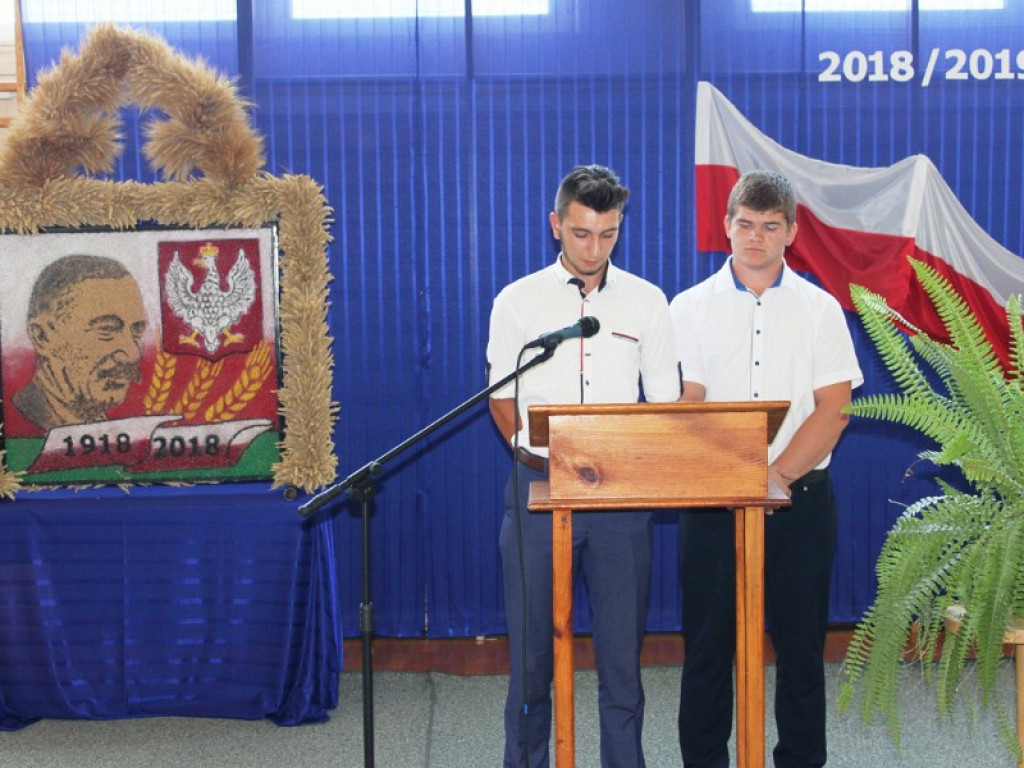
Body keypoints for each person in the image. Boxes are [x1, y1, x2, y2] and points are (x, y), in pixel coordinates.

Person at [486, 164, 682, 768]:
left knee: (622, 660)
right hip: (539, 488)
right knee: (531, 662)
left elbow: (667, 402)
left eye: (607, 234)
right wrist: (546, 455)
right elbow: (500, 398)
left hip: (622, 499)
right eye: (580, 234)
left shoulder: (648, 302)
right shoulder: (517, 302)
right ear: (556, 225)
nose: (593, 249)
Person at [669, 170, 863, 768]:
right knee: (707, 650)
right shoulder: (688, 308)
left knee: (802, 651)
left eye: (770, 226)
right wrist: (736, 479)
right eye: (745, 224)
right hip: (713, 506)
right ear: (727, 226)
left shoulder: (821, 308)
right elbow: (689, 405)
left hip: (800, 501)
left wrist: (773, 475)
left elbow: (834, 409)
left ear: (792, 233)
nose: (755, 237)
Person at [12, 254, 148, 431]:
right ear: (43, 337)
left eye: (137, 331)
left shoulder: (94, 421)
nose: (133, 354)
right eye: (106, 330)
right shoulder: (25, 420)